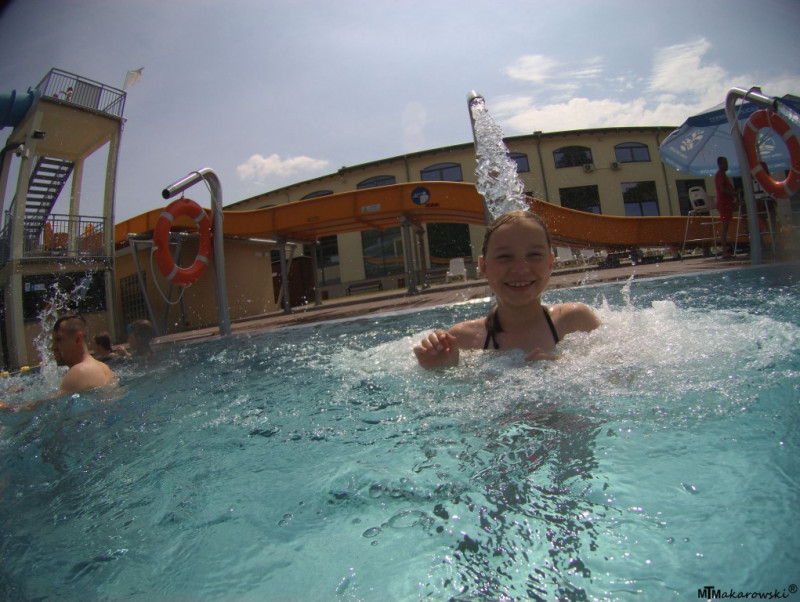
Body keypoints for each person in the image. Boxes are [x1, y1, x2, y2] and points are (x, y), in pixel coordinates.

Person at [413, 210, 600, 369]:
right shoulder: (463, 339)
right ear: (484, 267)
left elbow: (611, 374)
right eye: (504, 257)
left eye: (534, 254)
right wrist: (441, 370)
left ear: (550, 263)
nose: (520, 269)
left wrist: (564, 366)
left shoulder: (575, 321)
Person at [0, 315, 117, 411]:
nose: (53, 347)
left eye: (58, 340)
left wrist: (6, 407)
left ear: (78, 338)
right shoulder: (104, 367)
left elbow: (45, 408)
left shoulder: (80, 371)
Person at [714, 156, 738, 259]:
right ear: (719, 164)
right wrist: (734, 193)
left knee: (726, 227)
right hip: (724, 204)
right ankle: (724, 251)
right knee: (725, 227)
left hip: (728, 203)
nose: (726, 165)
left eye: (726, 162)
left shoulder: (723, 175)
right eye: (724, 163)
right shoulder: (720, 175)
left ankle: (727, 249)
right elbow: (723, 190)